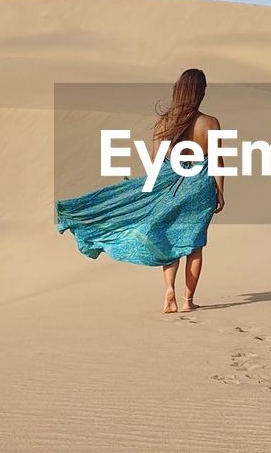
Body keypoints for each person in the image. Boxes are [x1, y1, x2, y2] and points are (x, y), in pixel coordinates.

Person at [56, 68, 224, 313]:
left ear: (178, 91)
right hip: (200, 186)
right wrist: (220, 190)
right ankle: (188, 301)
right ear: (201, 92)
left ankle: (169, 291)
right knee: (194, 243)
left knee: (170, 238)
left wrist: (144, 194)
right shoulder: (210, 123)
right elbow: (218, 161)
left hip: (170, 185)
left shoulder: (164, 122)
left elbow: (155, 162)